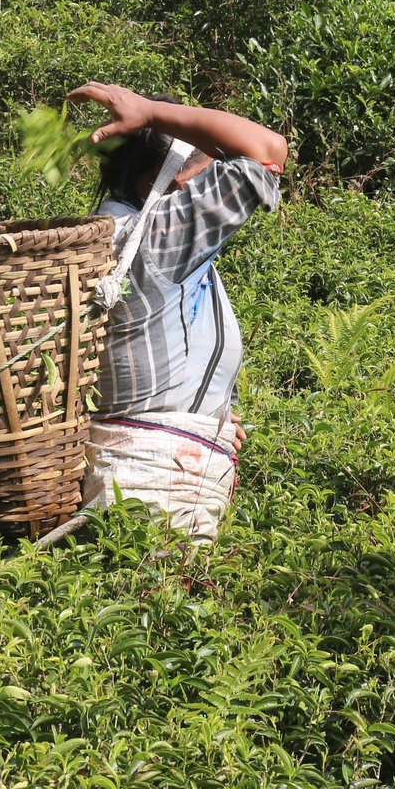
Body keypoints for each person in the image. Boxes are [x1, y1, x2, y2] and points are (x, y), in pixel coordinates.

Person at [65, 82, 287, 544]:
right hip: (156, 498)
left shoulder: (107, 239)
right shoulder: (157, 237)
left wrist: (205, 414)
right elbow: (267, 148)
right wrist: (148, 113)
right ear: (178, 183)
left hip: (140, 483)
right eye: (209, 168)